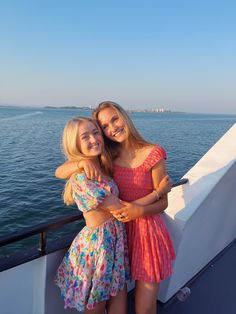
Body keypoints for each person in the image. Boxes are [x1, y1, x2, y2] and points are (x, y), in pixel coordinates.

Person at [55, 103, 175, 314]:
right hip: (113, 238)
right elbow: (61, 171)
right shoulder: (107, 159)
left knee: (142, 306)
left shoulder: (148, 154)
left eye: (115, 119)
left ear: (125, 116)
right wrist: (80, 163)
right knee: (108, 299)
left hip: (143, 234)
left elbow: (164, 203)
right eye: (104, 126)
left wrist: (147, 204)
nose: (111, 128)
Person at [55, 117, 130, 314]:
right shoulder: (82, 177)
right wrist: (159, 193)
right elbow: (119, 208)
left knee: (118, 296)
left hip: (114, 243)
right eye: (85, 136)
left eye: (96, 132)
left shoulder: (103, 167)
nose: (94, 139)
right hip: (99, 247)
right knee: (96, 305)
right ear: (76, 144)